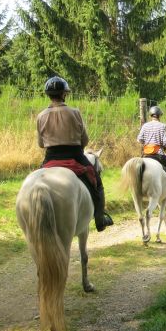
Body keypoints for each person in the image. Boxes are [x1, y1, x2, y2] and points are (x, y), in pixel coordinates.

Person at [37, 76, 114, 232]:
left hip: (50, 157)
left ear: (48, 95)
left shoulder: (41, 116)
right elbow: (84, 140)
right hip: (75, 155)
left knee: (36, 179)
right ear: (64, 94)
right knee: (97, 182)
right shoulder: (75, 112)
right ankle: (100, 219)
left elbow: (40, 144)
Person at [137, 105, 166, 198]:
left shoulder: (145, 125)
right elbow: (165, 142)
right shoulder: (163, 126)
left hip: (146, 154)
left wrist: (147, 143)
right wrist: (164, 146)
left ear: (151, 115)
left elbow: (139, 139)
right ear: (159, 116)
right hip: (158, 154)